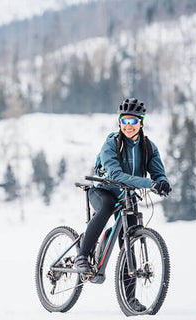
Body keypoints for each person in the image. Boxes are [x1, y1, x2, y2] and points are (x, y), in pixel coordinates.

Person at [74, 98, 171, 311]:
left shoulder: (148, 147)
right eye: (125, 120)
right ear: (119, 122)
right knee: (107, 207)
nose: (129, 125)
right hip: (102, 190)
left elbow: (157, 172)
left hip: (127, 196)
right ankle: (81, 256)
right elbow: (116, 174)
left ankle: (131, 300)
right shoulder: (111, 144)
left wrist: (162, 182)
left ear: (141, 123)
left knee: (130, 243)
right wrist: (149, 183)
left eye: (133, 121)